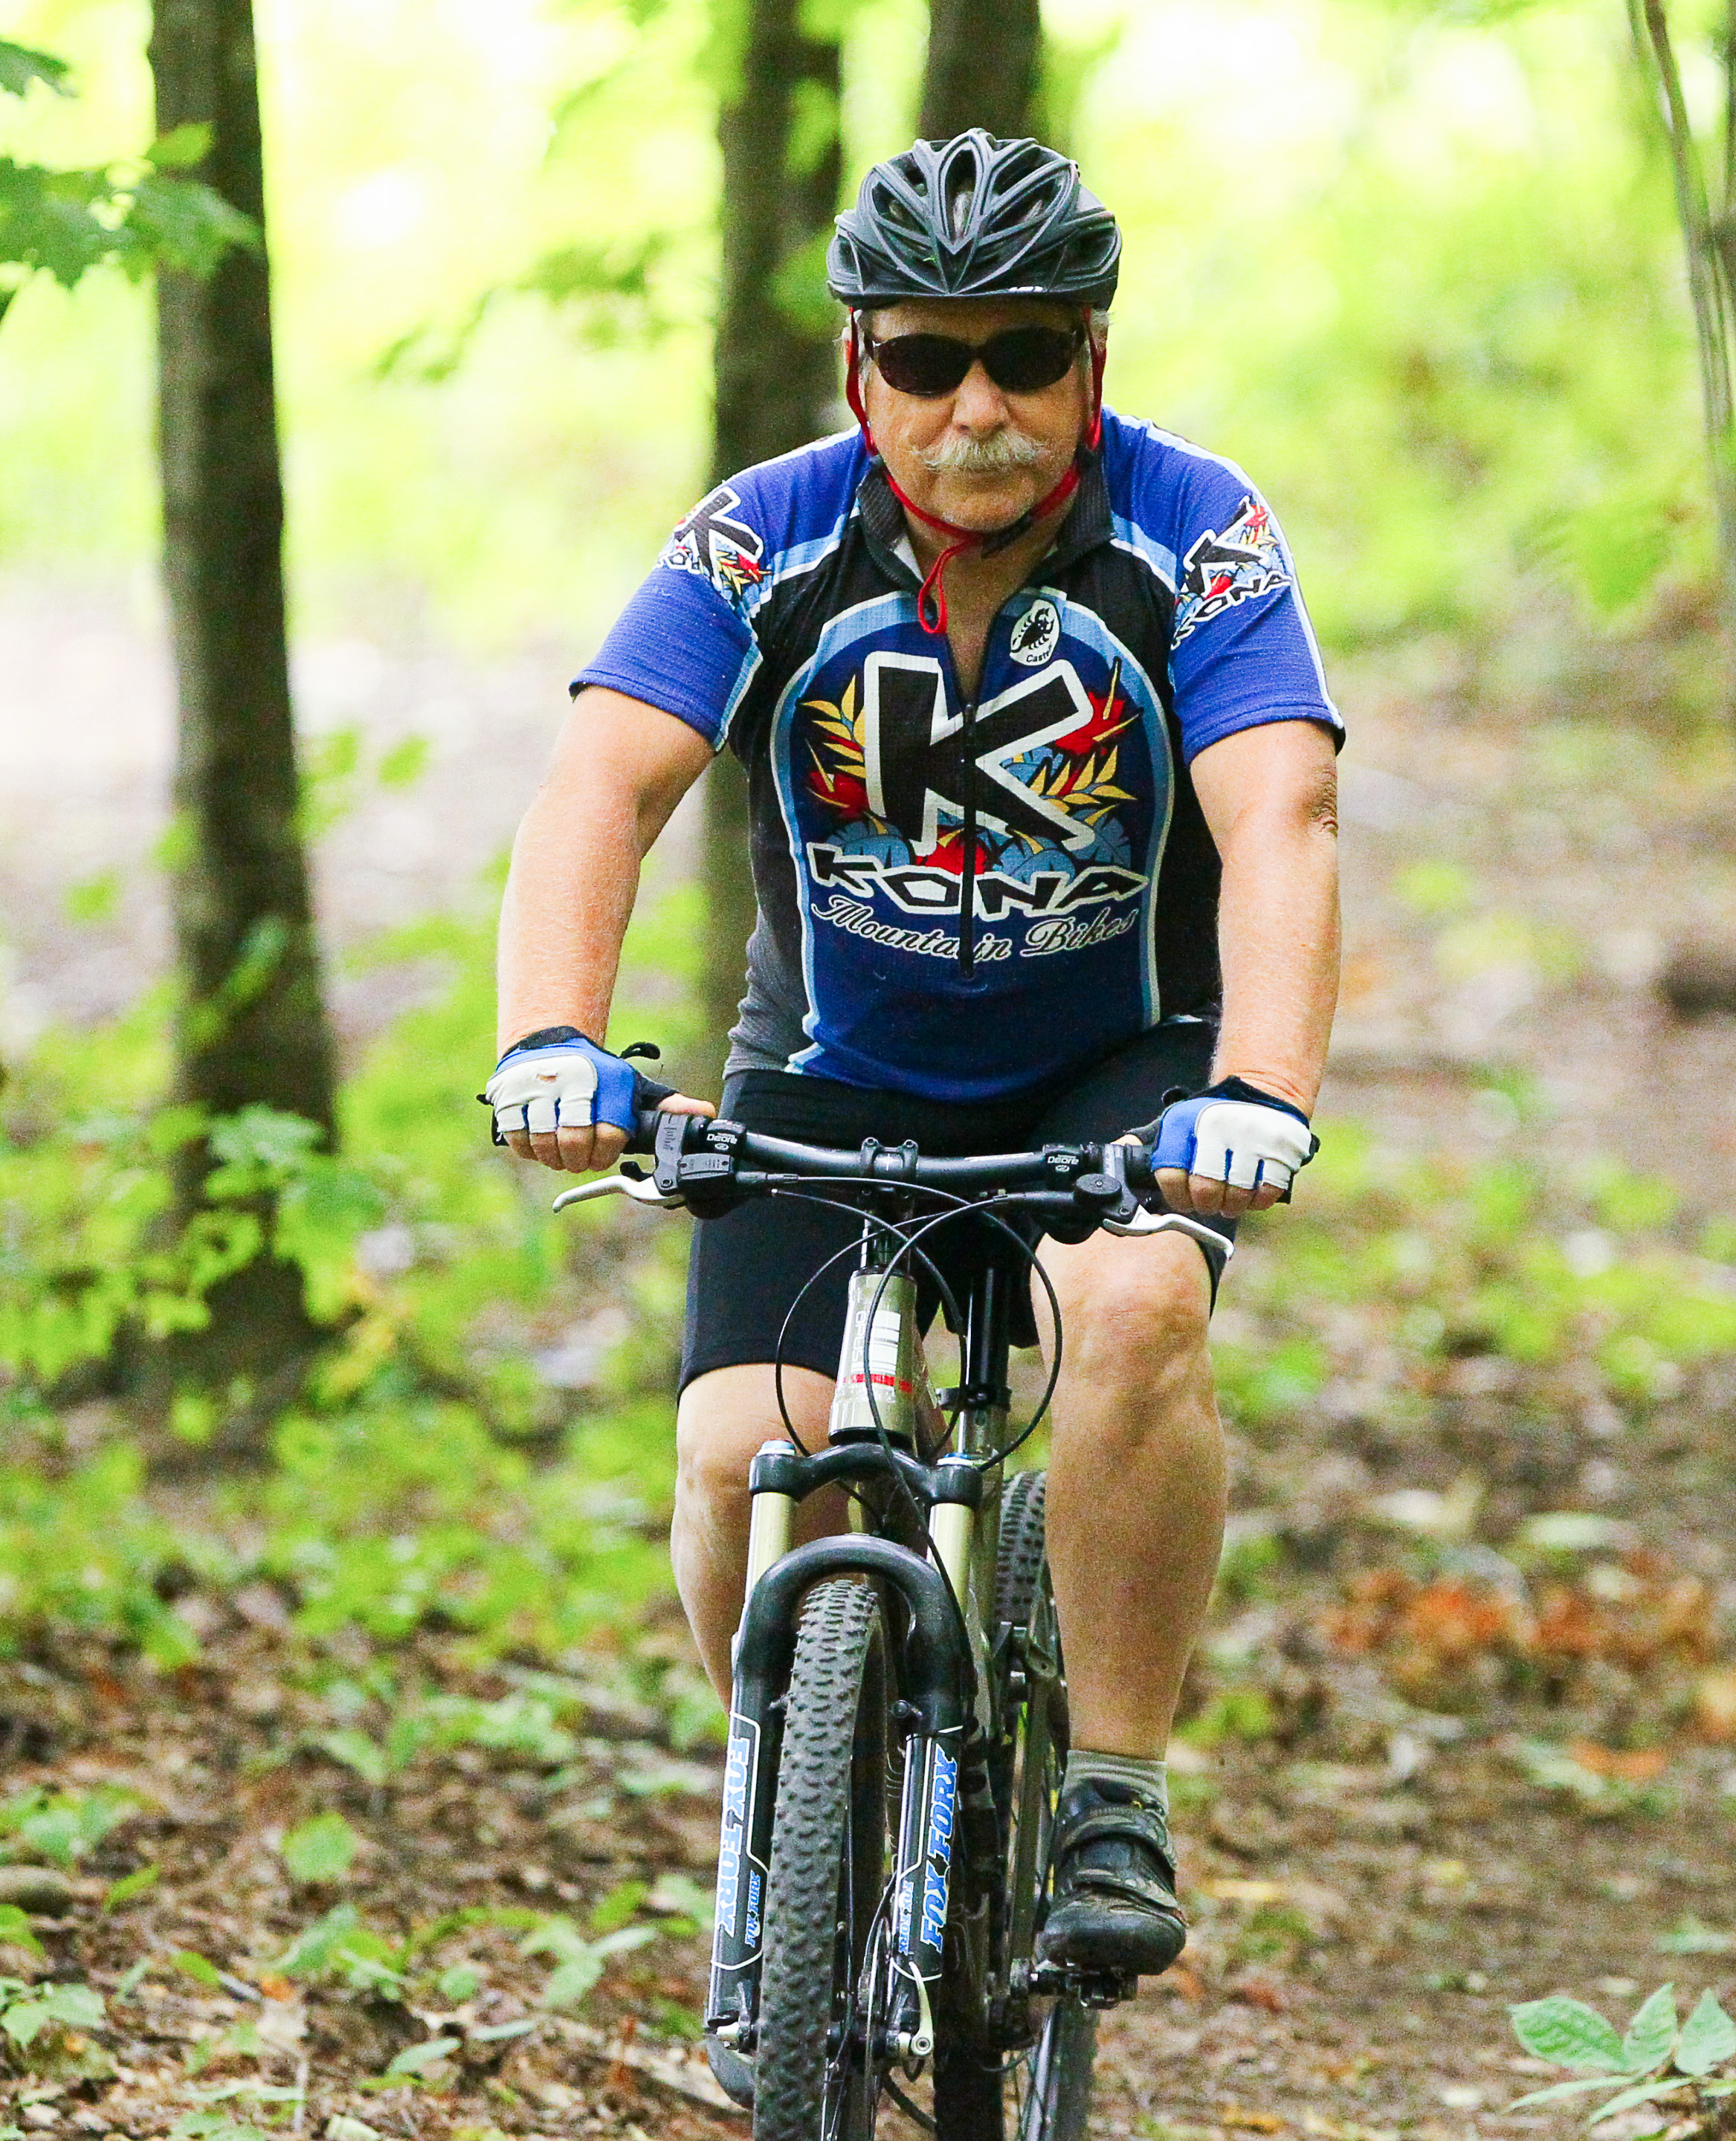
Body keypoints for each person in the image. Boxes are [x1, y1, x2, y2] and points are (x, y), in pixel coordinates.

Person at [485, 130, 1341, 2011]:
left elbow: (1280, 816)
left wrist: (1262, 1094)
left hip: (1118, 1068)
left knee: (1132, 1323)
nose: (981, 406)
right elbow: (601, 787)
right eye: (929, 359)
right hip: (827, 1066)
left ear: (1092, 366)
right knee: (739, 1460)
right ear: (856, 366)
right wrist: (551, 1038)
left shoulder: (1193, 533)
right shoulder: (765, 535)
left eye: (1028, 354)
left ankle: (1112, 1788)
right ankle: (788, 1827)